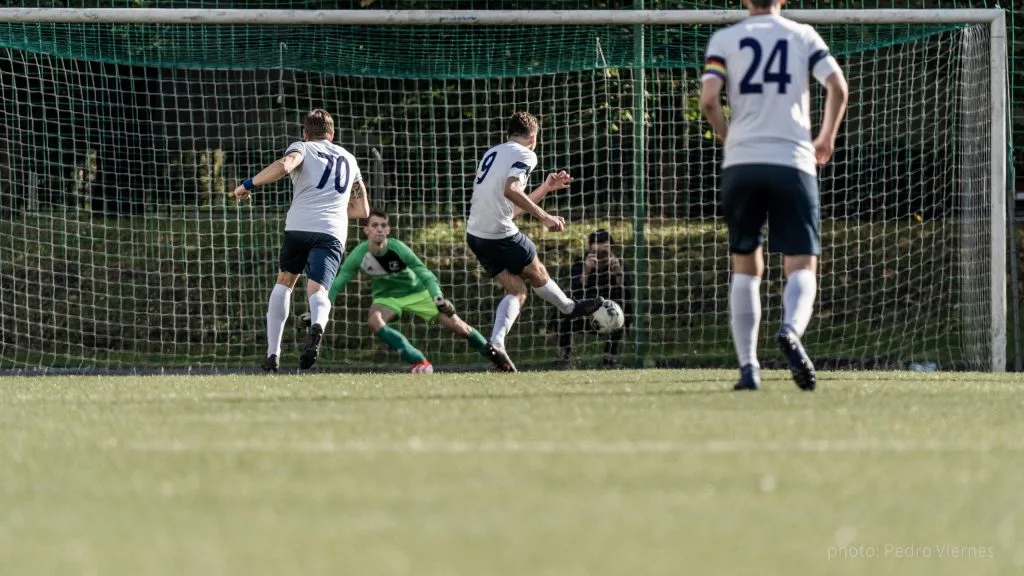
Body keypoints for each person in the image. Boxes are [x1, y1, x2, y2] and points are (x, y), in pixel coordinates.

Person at [700, 0, 848, 390]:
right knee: (801, 263)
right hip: (792, 162)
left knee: (745, 265)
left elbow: (709, 100)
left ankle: (749, 370)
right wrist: (826, 138)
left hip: (742, 164)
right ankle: (791, 330)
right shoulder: (802, 35)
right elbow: (838, 86)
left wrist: (727, 137)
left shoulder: (725, 38)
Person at [232, 109, 370, 372]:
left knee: (284, 282)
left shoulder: (303, 148)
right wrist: (333, 208)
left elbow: (284, 166)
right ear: (333, 134)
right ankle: (317, 324)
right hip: (332, 232)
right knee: (318, 291)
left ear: (305, 133)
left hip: (299, 227)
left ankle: (273, 355)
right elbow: (362, 211)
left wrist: (248, 184)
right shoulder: (350, 159)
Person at [465, 111, 605, 369]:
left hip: (476, 235)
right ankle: (568, 307)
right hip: (498, 232)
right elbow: (512, 189)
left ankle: (496, 343)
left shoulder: (492, 153)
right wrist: (545, 217)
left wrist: (545, 189)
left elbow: (511, 208)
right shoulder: (527, 154)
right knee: (536, 269)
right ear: (533, 136)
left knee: (517, 290)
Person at [325, 210, 515, 373]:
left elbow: (423, 272)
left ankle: (499, 361)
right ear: (366, 230)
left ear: (388, 230)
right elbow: (339, 281)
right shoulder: (359, 253)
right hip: (387, 297)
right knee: (374, 320)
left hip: (418, 293)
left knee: (459, 327)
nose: (380, 229)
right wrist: (321, 309)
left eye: (383, 225)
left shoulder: (397, 247)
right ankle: (419, 361)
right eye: (374, 225)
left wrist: (438, 297)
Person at [550, 229, 632, 368]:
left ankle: (610, 357)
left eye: (604, 253)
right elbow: (571, 295)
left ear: (612, 251)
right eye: (596, 253)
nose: (600, 257)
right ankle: (564, 354)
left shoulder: (618, 266)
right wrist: (585, 274)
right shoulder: (580, 265)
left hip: (608, 316)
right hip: (582, 316)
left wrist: (619, 275)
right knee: (564, 311)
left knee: (619, 313)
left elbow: (626, 297)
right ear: (589, 250)